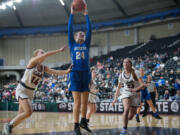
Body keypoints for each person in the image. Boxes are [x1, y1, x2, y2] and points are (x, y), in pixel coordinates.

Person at [2, 46, 72, 135]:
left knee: (21, 115)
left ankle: (7, 130)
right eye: (41, 53)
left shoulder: (43, 67)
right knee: (29, 112)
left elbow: (55, 72)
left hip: (31, 92)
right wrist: (59, 50)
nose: (44, 54)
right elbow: (46, 55)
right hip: (22, 89)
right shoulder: (32, 61)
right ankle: (8, 126)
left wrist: (66, 71)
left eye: (44, 52)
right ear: (36, 55)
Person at [68, 3, 92, 135]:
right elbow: (69, 29)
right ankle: (76, 125)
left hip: (86, 74)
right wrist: (71, 14)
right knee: (77, 102)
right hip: (75, 74)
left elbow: (90, 29)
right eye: (80, 35)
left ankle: (84, 121)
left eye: (83, 35)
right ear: (76, 37)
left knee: (85, 102)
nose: (82, 35)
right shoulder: (72, 44)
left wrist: (86, 15)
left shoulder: (87, 44)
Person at [113, 58, 145, 135]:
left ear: (130, 64)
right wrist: (115, 98)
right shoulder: (121, 75)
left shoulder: (136, 73)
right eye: (124, 62)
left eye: (127, 63)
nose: (125, 64)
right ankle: (124, 129)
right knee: (126, 108)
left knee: (130, 117)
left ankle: (125, 120)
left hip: (136, 94)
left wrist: (136, 89)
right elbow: (118, 87)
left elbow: (143, 85)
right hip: (126, 92)